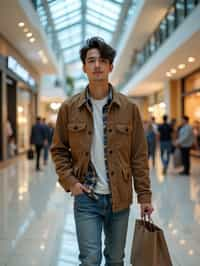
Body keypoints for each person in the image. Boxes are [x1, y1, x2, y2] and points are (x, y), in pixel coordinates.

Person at [51, 37, 153, 266]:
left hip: (120, 196)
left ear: (110, 67)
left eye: (103, 60)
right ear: (84, 67)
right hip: (86, 196)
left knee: (116, 259)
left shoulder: (129, 108)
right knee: (90, 259)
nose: (97, 65)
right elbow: (58, 150)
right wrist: (71, 182)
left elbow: (138, 156)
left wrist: (144, 196)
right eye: (91, 60)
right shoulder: (69, 108)